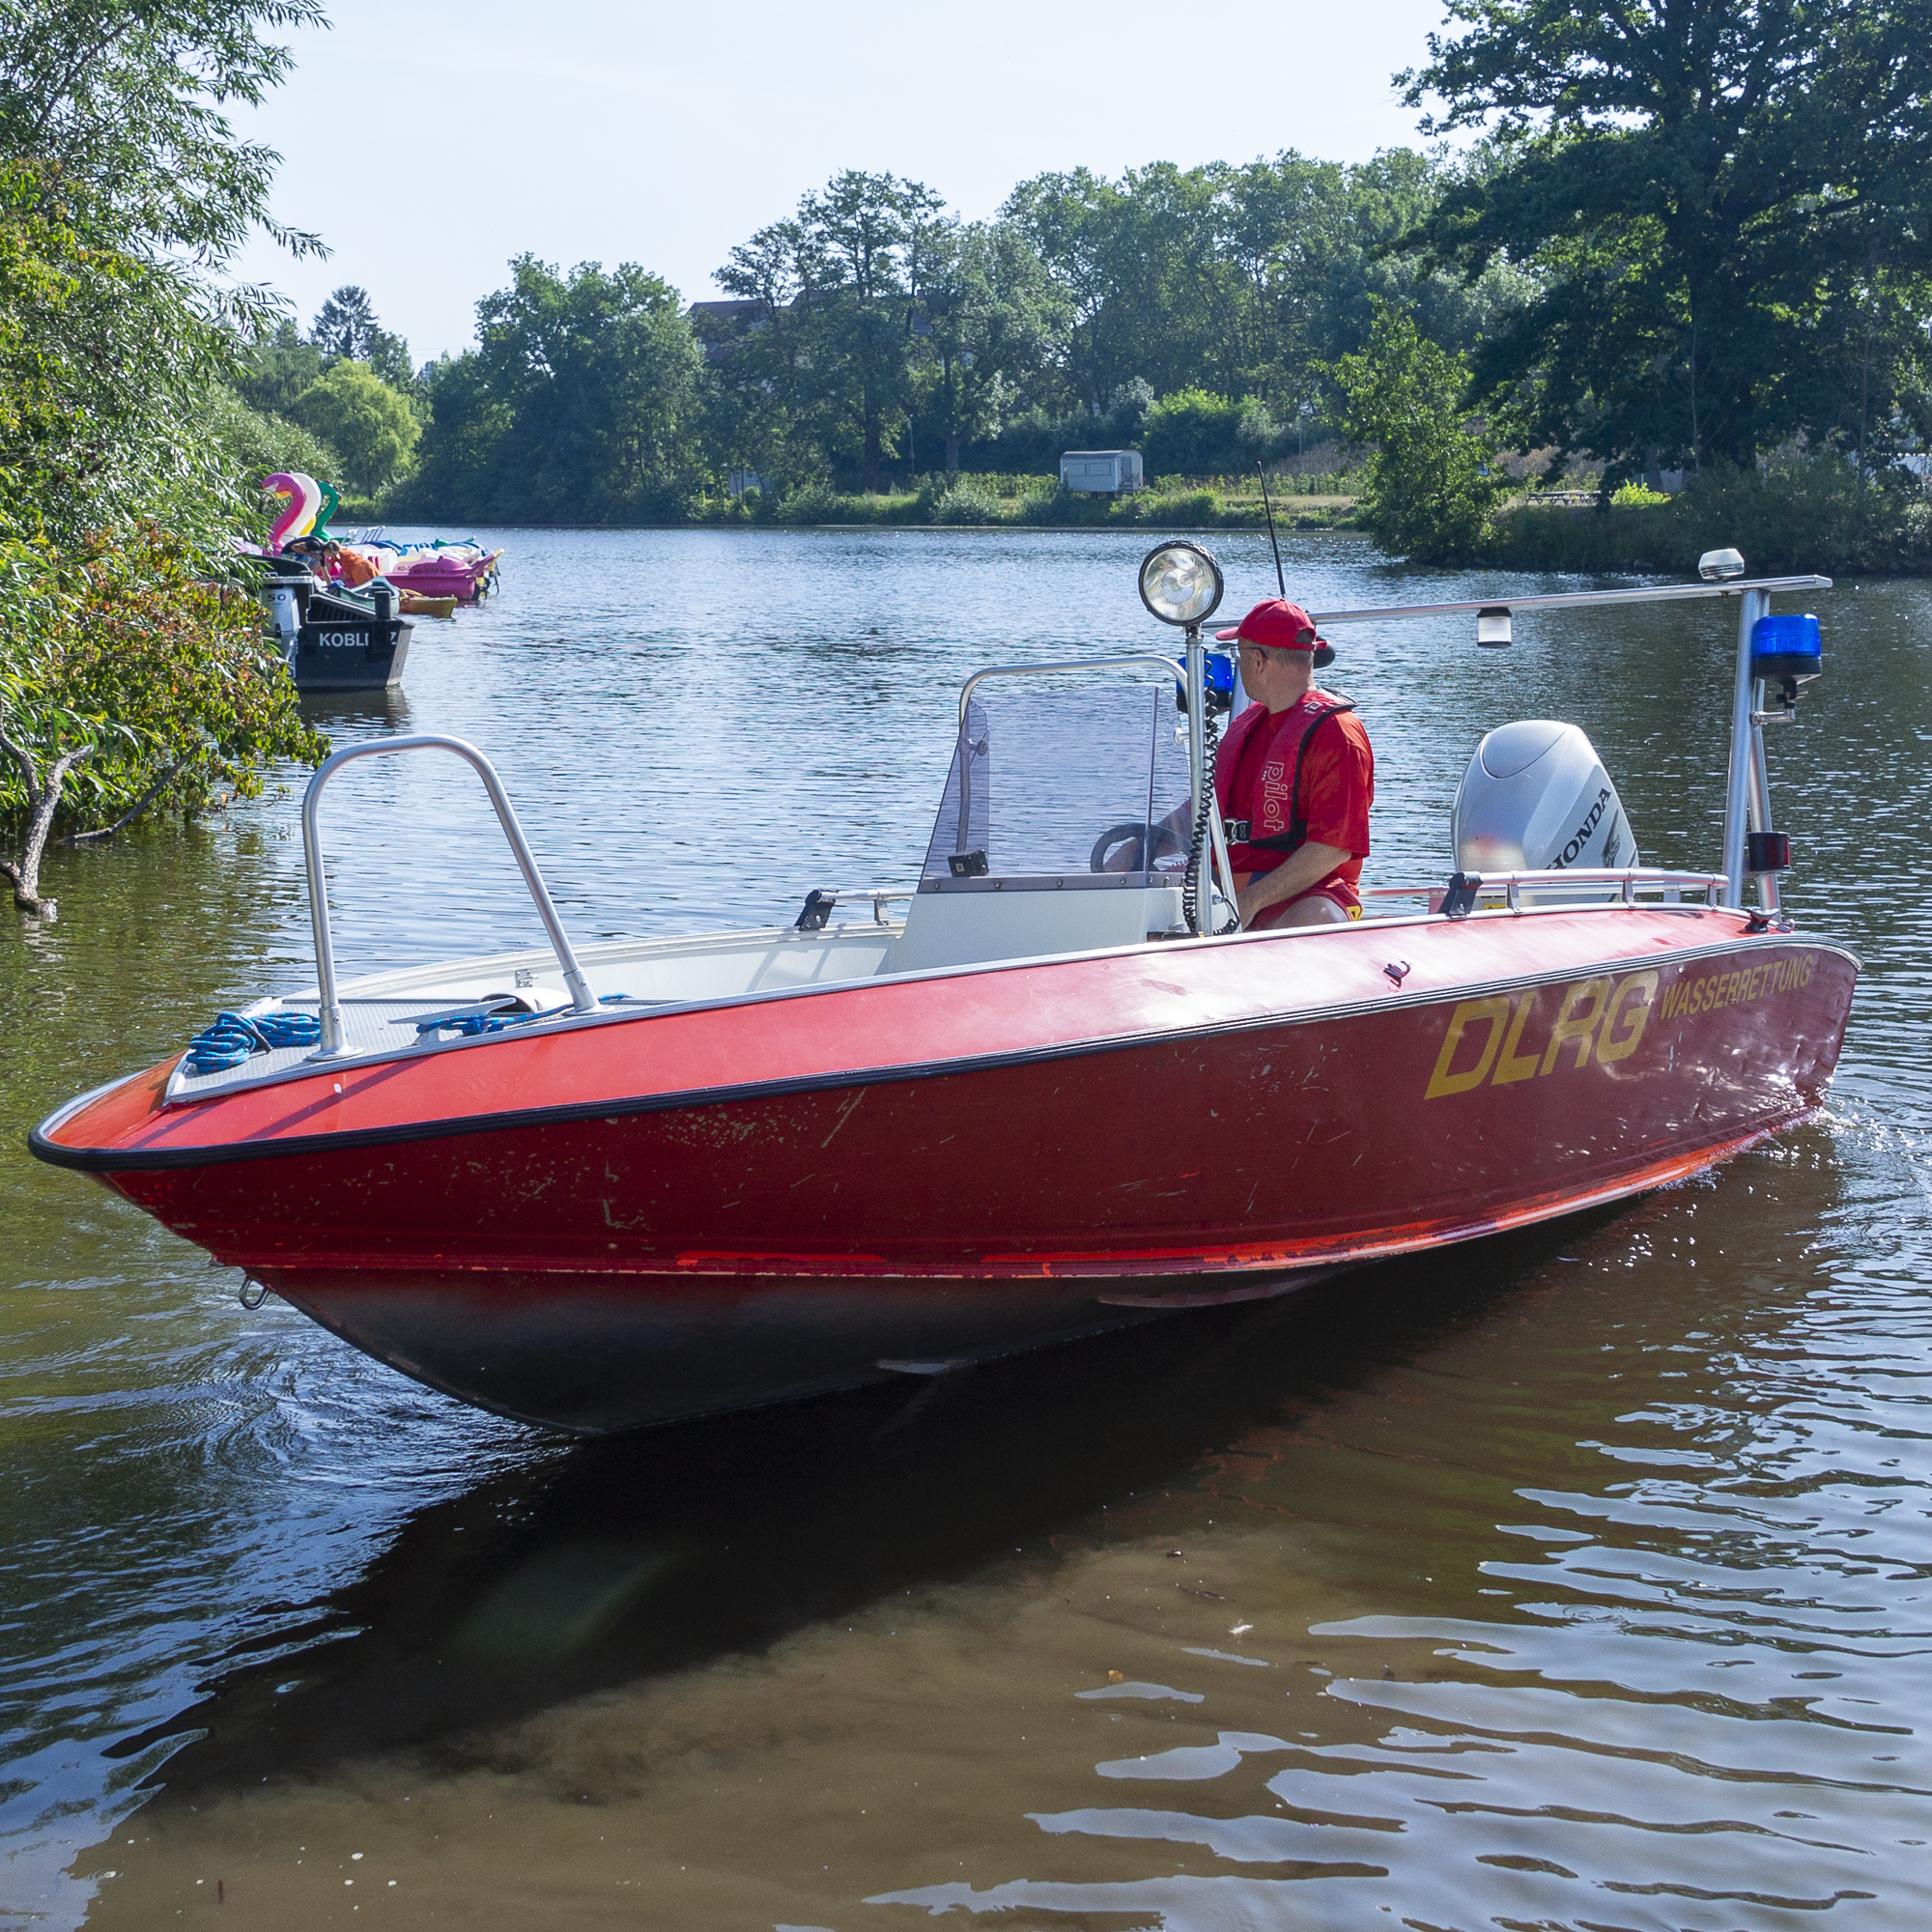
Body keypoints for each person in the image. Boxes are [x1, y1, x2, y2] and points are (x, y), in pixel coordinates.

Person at [1210, 598, 1374, 929]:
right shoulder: (1250, 723)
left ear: (1258, 661)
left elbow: (1333, 848)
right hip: (1227, 882)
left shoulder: (1337, 734)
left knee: (1314, 920)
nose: (1237, 664)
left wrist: (1251, 900)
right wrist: (1151, 837)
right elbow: (1208, 808)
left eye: (1239, 654)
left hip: (1305, 893)